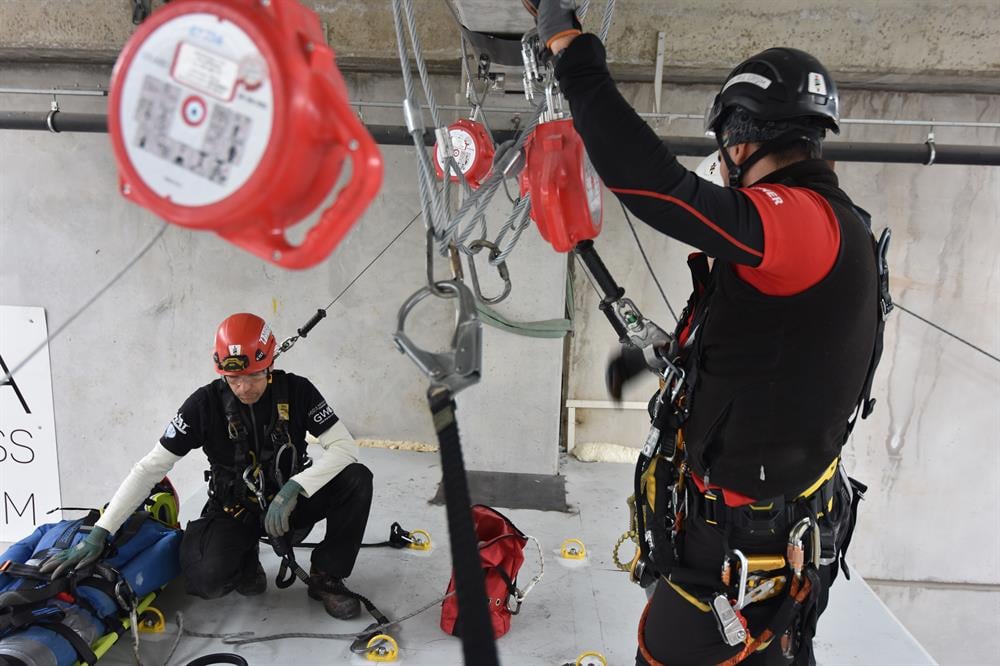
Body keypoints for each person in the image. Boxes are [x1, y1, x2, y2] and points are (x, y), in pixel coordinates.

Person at [525, 3, 885, 664]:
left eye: (726, 149)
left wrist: (571, 49)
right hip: (768, 529)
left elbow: (656, 188)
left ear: (740, 141)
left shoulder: (802, 222)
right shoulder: (836, 227)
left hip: (741, 549)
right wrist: (669, 362)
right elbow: (778, 350)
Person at [41, 313, 373, 620]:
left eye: (254, 376)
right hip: (235, 509)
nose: (244, 388)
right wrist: (102, 530)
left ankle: (326, 575)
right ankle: (245, 563)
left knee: (357, 479)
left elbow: (345, 447)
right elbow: (150, 468)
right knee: (203, 578)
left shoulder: (298, 391)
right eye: (233, 378)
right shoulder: (204, 404)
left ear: (270, 364)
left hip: (291, 508)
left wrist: (295, 488)